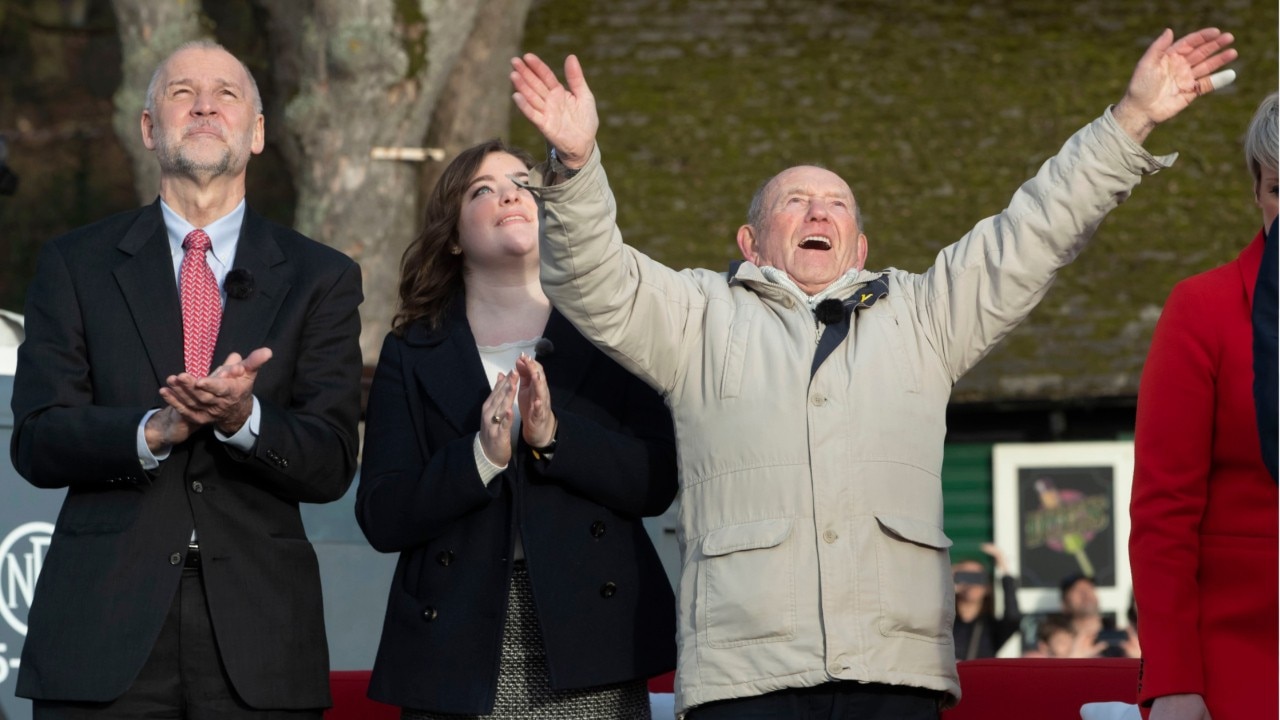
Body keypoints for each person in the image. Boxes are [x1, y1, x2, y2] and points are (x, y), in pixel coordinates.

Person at [510, 27, 1237, 719]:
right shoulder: (697, 316)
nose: (818, 212)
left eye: (837, 205)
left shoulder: (925, 316)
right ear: (751, 242)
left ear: (860, 248)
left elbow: (1035, 232)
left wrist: (1131, 119)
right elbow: (592, 276)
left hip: (894, 673)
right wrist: (575, 168)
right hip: (745, 676)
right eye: (796, 201)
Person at [9, 41, 364, 718]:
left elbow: (331, 461)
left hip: (260, 633)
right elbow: (37, 438)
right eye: (181, 93)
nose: (204, 106)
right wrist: (153, 430)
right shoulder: (75, 264)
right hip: (102, 627)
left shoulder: (321, 277)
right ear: (149, 129)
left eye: (226, 94)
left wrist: (243, 421)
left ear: (257, 133)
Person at [355, 139, 678, 719]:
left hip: (591, 639)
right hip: (453, 644)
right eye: (483, 190)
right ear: (454, 236)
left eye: (522, 183)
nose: (509, 194)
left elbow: (656, 482)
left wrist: (554, 437)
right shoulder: (411, 350)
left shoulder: (611, 329)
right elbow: (383, 514)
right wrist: (480, 457)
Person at [1129, 92, 1279, 720]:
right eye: (1278, 190)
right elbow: (1162, 512)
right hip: (1243, 663)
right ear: (1257, 193)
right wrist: (1172, 679)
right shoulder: (1203, 308)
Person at [952, 543, 1021, 660]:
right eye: (965, 576)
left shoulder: (991, 628)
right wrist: (945, 583)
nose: (971, 585)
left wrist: (1004, 567)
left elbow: (1013, 618)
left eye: (977, 578)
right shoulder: (942, 623)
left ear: (987, 587)